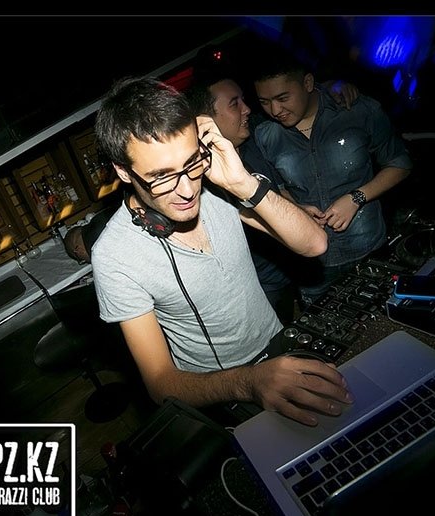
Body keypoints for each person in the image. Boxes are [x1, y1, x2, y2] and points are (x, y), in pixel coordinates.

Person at [90, 76, 353, 426]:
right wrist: (249, 383)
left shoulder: (218, 185)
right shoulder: (114, 256)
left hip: (281, 350)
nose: (188, 190)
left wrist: (242, 182)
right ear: (124, 171)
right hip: (220, 392)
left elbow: (314, 243)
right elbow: (160, 384)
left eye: (191, 163)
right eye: (162, 176)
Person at [186, 57, 360, 322]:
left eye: (243, 100)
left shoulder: (253, 137)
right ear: (205, 121)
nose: (247, 109)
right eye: (235, 104)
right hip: (263, 283)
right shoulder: (204, 182)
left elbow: (298, 97)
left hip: (295, 265)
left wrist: (331, 86)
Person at [251, 45, 413, 305]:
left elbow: (400, 164)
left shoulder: (357, 110)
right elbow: (278, 189)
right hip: (312, 268)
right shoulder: (265, 135)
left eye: (283, 97)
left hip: (368, 250)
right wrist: (297, 210)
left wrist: (356, 198)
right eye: (264, 102)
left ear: (307, 83)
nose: (275, 109)